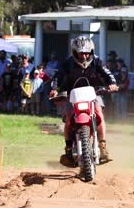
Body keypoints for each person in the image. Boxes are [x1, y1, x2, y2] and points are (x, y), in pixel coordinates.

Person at [50, 36, 118, 165]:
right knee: (69, 119)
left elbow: (107, 74)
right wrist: (54, 89)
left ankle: (102, 147)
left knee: (99, 114)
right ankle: (68, 149)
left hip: (94, 93)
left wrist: (112, 83)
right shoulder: (67, 63)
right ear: (75, 52)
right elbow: (57, 77)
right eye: (81, 53)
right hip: (72, 95)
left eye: (87, 53)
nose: (85, 56)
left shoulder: (97, 61)